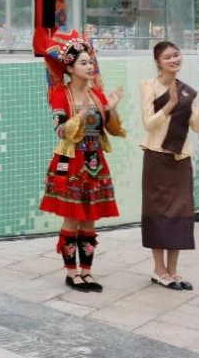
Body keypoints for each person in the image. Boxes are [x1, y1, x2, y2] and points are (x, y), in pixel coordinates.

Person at [38, 30, 125, 293]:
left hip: (95, 160)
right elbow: (61, 131)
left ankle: (87, 271)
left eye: (91, 62)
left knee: (90, 219)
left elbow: (112, 129)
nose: (90, 66)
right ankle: (71, 273)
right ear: (70, 68)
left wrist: (111, 109)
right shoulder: (59, 94)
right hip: (69, 161)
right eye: (84, 63)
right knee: (72, 218)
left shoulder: (97, 94)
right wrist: (82, 113)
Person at [140, 41, 199, 290]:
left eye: (176, 55)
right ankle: (159, 270)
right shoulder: (148, 86)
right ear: (158, 61)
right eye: (168, 57)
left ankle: (173, 270)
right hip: (156, 157)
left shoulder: (186, 91)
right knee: (157, 212)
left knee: (180, 213)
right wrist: (170, 105)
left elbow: (197, 126)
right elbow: (149, 124)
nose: (174, 60)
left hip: (181, 159)